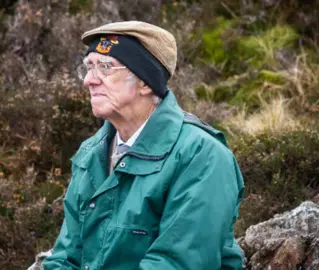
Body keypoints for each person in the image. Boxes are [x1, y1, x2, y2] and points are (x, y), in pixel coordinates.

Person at [43, 21, 245, 270]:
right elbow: (66, 258)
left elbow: (177, 263)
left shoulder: (202, 155)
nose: (89, 81)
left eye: (105, 67)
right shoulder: (90, 154)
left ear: (146, 82)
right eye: (88, 67)